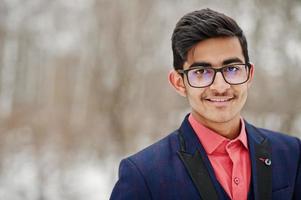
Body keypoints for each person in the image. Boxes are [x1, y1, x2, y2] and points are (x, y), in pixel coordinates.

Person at [110, 8, 301, 200]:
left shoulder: (292, 154)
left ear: (249, 75)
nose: (221, 86)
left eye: (232, 69)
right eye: (201, 72)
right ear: (179, 82)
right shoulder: (143, 175)